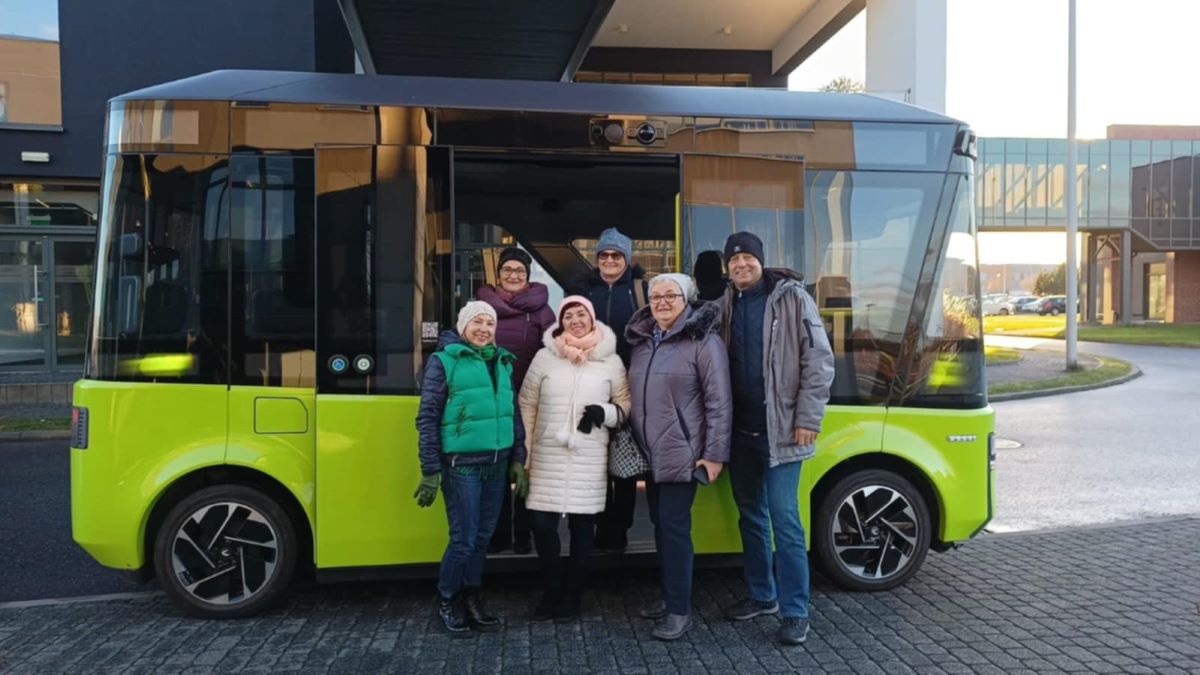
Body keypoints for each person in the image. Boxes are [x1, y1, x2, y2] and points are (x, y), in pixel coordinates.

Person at [713, 232, 835, 646]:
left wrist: (808, 418)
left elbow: (818, 360)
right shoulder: (726, 303)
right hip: (740, 433)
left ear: (760, 261)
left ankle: (796, 610)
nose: (741, 264)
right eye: (734, 259)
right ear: (727, 267)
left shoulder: (791, 298)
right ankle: (761, 595)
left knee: (786, 521)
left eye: (748, 257)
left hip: (783, 432)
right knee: (751, 517)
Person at [625, 273, 731, 641]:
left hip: (683, 454)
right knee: (660, 526)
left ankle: (678, 609)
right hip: (649, 453)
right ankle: (670, 594)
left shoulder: (704, 342)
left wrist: (714, 456)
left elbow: (719, 403)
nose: (662, 302)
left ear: (686, 300)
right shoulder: (643, 342)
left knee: (673, 530)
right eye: (656, 296)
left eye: (671, 295)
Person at [414, 301, 529, 635]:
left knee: (481, 538)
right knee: (463, 540)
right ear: (463, 327)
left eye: (489, 324)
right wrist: (430, 468)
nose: (484, 329)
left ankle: (472, 595)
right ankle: (448, 598)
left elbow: (513, 414)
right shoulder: (444, 361)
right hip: (461, 467)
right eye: (476, 322)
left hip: (496, 465)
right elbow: (428, 417)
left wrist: (518, 458)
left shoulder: (503, 363)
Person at [519, 296, 630, 621]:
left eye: (582, 314)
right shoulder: (544, 357)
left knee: (584, 531)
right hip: (547, 453)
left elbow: (625, 405)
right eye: (569, 316)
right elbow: (527, 403)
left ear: (592, 319)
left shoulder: (610, 361)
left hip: (589, 455)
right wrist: (526, 448)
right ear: (561, 322)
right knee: (542, 525)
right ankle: (552, 588)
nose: (576, 320)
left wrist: (606, 413)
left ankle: (573, 595)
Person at [476, 247, 555, 555]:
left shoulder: (541, 310)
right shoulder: (482, 305)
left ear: (527, 275)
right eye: (507, 270)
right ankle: (498, 536)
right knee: (495, 466)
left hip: (528, 399)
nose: (513, 275)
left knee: (525, 464)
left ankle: (524, 536)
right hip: (491, 399)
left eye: (519, 271)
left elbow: (552, 348)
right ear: (498, 274)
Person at [573, 227, 647, 553]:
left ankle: (620, 529)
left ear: (627, 259)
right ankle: (600, 526)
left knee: (626, 462)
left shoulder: (640, 290)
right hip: (591, 384)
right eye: (604, 255)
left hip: (629, 385)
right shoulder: (583, 291)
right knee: (596, 460)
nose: (609, 260)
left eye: (616, 255)